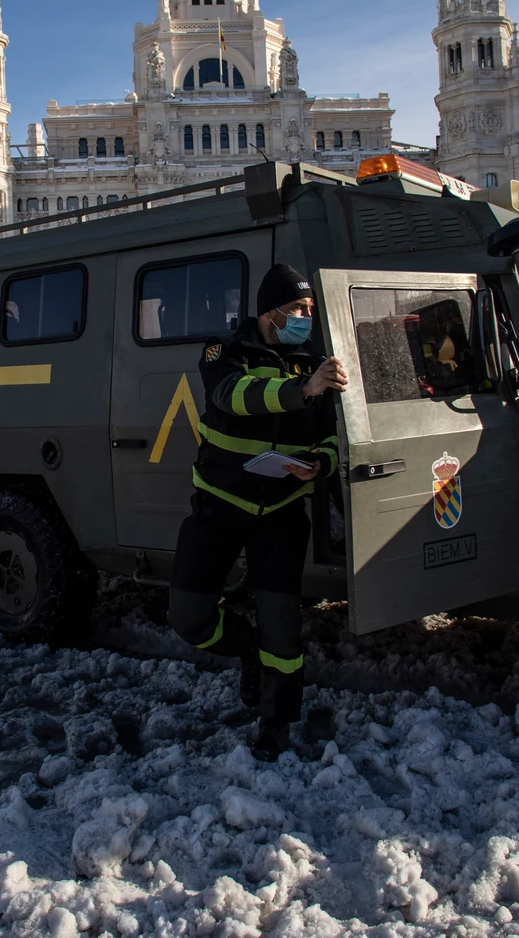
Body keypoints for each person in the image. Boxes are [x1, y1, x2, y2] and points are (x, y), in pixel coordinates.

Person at [168, 264, 345, 762]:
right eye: (299, 310)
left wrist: (319, 464)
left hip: (282, 512)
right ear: (271, 312)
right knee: (188, 616)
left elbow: (330, 436)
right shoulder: (222, 350)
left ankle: (277, 721)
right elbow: (234, 398)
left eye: (310, 310)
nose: (307, 319)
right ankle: (245, 648)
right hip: (219, 504)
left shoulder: (314, 363)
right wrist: (301, 391)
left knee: (283, 628)